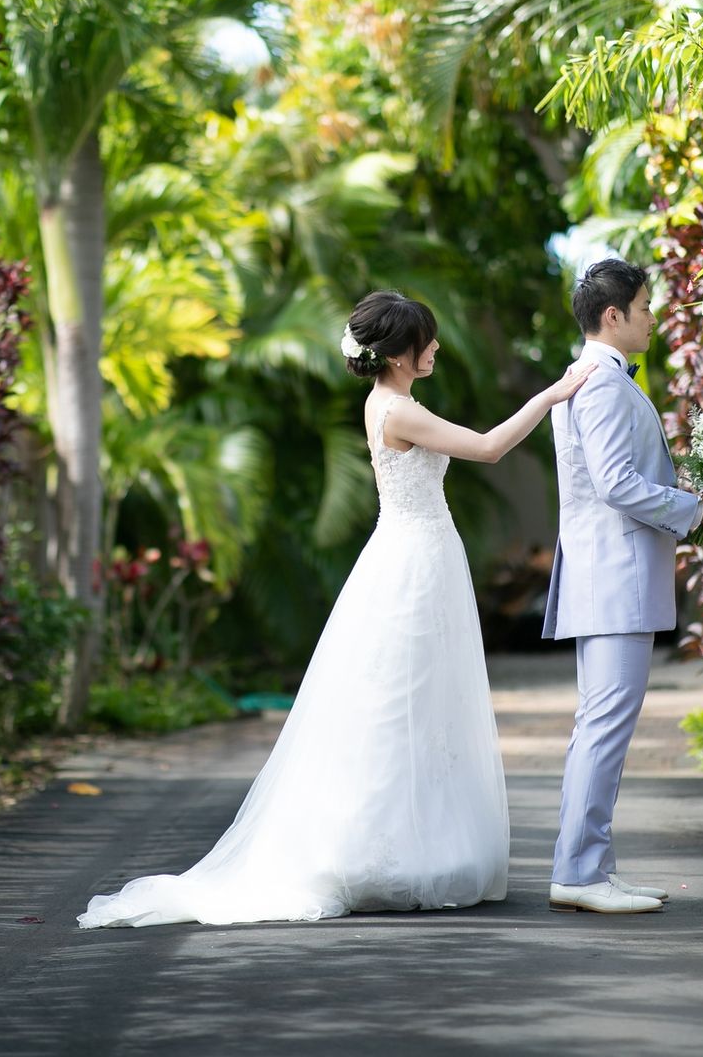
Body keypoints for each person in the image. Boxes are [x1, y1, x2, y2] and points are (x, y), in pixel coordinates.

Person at [78, 290, 594, 929]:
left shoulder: (388, 403)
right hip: (413, 560)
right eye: (426, 340)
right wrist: (554, 394)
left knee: (416, 701)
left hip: (415, 553)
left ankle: (417, 848)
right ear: (399, 354)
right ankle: (387, 854)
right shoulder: (398, 411)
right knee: (404, 701)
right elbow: (488, 447)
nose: (436, 348)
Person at [542, 258, 703, 915]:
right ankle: (580, 873)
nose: (655, 319)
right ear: (614, 315)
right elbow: (616, 484)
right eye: (647, 307)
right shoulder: (601, 383)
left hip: (610, 576)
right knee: (603, 730)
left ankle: (588, 866)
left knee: (599, 728)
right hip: (614, 578)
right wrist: (696, 510)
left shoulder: (595, 377)